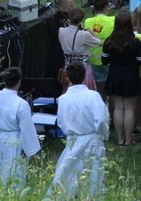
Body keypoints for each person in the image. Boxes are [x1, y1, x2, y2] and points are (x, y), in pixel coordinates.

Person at [50, 62, 109, 199]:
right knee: (92, 170)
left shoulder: (63, 99)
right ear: (84, 77)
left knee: (70, 168)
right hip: (92, 139)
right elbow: (100, 119)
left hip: (73, 138)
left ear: (68, 78)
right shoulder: (93, 96)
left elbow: (61, 122)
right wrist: (103, 134)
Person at [0, 67, 41, 189]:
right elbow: (27, 129)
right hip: (10, 139)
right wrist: (31, 150)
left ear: (4, 81)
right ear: (19, 82)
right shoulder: (21, 104)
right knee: (10, 171)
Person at [102, 9, 141, 146]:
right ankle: (128, 138)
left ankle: (120, 138)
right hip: (131, 75)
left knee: (118, 107)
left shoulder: (109, 42)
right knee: (130, 108)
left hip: (115, 74)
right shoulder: (135, 43)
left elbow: (104, 60)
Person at [59, 7, 101, 90]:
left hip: (68, 67)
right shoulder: (84, 34)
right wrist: (91, 32)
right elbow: (99, 43)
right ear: (81, 20)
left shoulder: (61, 31)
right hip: (83, 69)